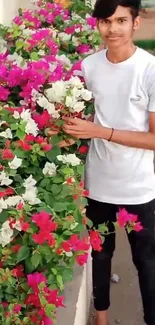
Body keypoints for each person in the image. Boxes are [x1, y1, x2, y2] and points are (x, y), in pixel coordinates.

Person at [62, 1, 155, 324]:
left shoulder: (150, 70)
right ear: (97, 24)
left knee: (147, 263)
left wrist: (100, 131)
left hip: (139, 188)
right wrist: (70, 132)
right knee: (100, 255)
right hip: (98, 184)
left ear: (135, 23)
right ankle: (100, 318)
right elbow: (83, 117)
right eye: (105, 21)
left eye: (120, 20)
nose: (112, 29)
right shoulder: (88, 66)